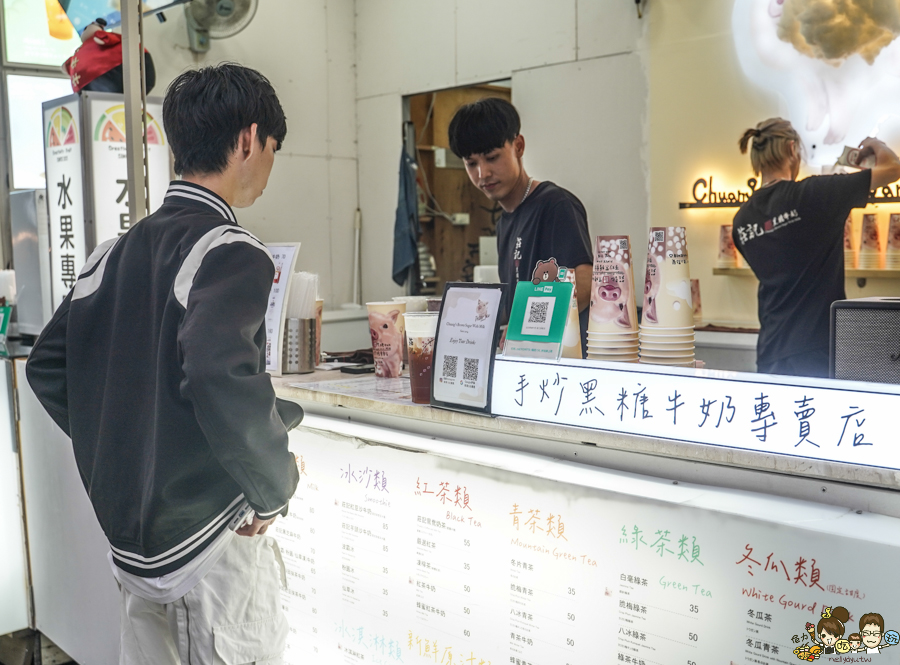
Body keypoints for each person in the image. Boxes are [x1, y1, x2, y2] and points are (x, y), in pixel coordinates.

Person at [26, 63, 300, 664]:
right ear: (250, 140)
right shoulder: (230, 250)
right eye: (273, 148)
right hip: (209, 549)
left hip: (134, 549)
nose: (270, 166)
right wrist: (274, 488)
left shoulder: (110, 253)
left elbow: (46, 366)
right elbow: (216, 373)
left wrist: (127, 451)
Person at [733, 118, 900, 377]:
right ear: (791, 149)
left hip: (770, 353)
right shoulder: (815, 194)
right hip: (817, 351)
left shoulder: (741, 220)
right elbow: (893, 168)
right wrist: (874, 144)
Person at [447, 98, 593, 352]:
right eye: (471, 164)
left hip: (562, 362)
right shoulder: (505, 222)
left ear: (518, 146)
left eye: (492, 158)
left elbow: (584, 283)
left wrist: (523, 329)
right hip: (525, 361)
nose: (482, 174)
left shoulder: (556, 205)